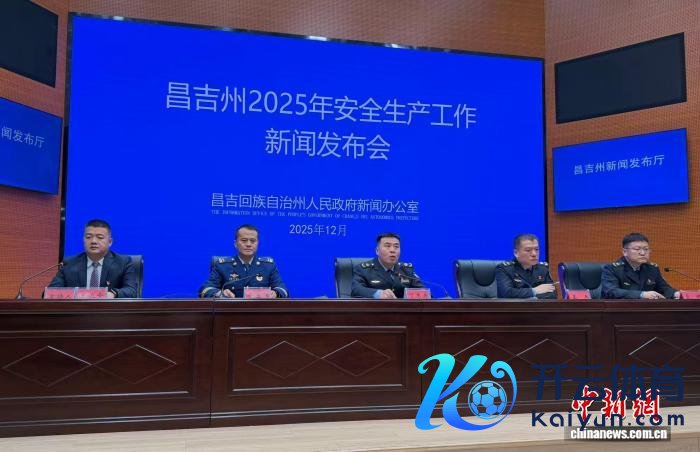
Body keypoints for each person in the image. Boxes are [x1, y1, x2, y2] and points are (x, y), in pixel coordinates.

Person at [46, 219, 138, 298]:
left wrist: (112, 294)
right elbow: (49, 293)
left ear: (110, 242)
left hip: (108, 312)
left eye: (100, 237)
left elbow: (132, 291)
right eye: (88, 237)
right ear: (83, 240)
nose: (93, 241)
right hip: (77, 311)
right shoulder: (69, 263)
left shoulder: (123, 262)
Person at [199, 224, 288, 298]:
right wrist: (220, 294)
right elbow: (205, 290)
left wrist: (275, 293)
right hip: (231, 311)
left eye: (253, 241)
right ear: (235, 243)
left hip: (260, 311)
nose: (248, 244)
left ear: (257, 244)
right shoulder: (222, 266)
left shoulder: (268, 266)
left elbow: (283, 290)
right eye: (244, 240)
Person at [601, 232, 679, 299]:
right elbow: (611, 292)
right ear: (625, 252)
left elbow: (664, 289)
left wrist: (676, 294)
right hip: (619, 309)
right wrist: (642, 294)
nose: (642, 253)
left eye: (646, 249)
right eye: (637, 249)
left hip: (646, 309)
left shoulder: (652, 269)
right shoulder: (612, 269)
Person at [351, 232, 425, 298]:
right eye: (387, 246)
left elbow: (423, 292)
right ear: (377, 251)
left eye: (396, 246)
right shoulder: (363, 269)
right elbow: (356, 289)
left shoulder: (406, 270)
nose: (392, 250)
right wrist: (378, 294)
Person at [495, 233, 556, 299]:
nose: (534, 254)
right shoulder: (504, 269)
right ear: (516, 253)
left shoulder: (543, 268)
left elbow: (552, 294)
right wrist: (534, 291)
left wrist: (534, 298)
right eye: (528, 250)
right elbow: (507, 293)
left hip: (539, 305)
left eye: (537, 249)